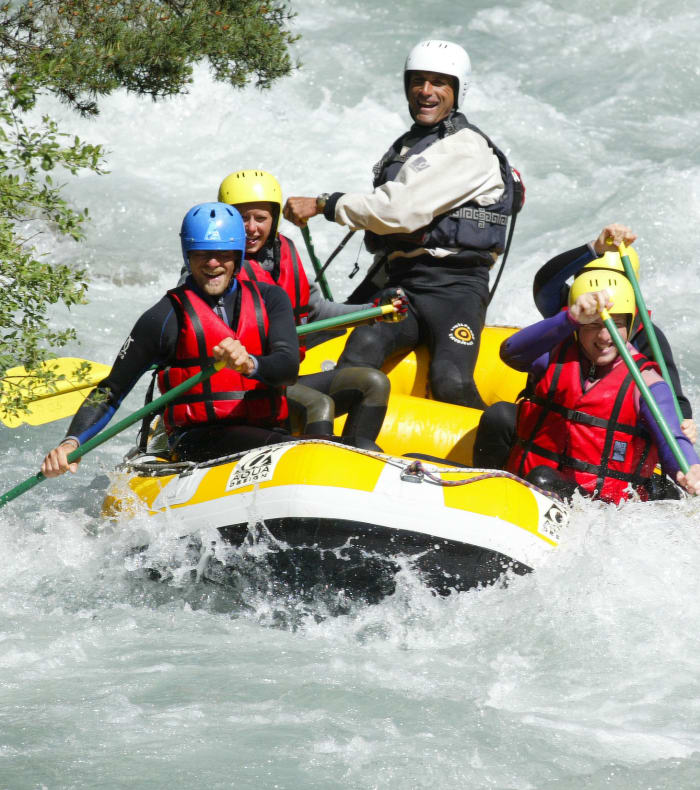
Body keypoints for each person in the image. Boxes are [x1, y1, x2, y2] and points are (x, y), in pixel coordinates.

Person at [282, 39, 523, 410]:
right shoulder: (409, 146)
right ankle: (336, 441)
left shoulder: (468, 147)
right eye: (418, 81)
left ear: (458, 91)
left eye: (440, 82)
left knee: (450, 381)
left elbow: (400, 211)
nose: (426, 92)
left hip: (456, 289)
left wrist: (323, 204)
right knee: (361, 350)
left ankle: (497, 455)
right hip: (404, 284)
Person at [41, 202, 299, 477]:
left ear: (237, 256)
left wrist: (248, 364)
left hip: (266, 431)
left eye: (222, 253)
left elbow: (288, 368)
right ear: (188, 256)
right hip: (200, 442)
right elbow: (111, 392)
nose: (212, 263)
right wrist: (71, 442)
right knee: (297, 452)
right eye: (202, 254)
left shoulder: (271, 299)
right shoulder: (164, 316)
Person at [474, 223, 696, 469]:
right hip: (553, 423)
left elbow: (671, 399)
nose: (601, 290)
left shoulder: (647, 336)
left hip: (607, 442)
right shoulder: (572, 310)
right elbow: (545, 284)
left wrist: (683, 427)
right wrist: (593, 249)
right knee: (501, 416)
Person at [216, 169, 406, 449]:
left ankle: (354, 462)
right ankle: (314, 473)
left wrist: (375, 311)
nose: (252, 228)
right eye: (242, 218)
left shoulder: (284, 254)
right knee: (319, 404)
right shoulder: (211, 264)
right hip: (237, 389)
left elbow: (316, 312)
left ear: (275, 220)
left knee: (374, 382)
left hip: (280, 380)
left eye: (261, 218)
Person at [501, 268, 700, 503]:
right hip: (532, 483)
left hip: (597, 506)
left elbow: (672, 438)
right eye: (593, 325)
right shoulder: (555, 356)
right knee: (498, 418)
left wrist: (690, 467)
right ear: (578, 327)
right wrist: (570, 318)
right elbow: (511, 352)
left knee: (542, 478)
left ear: (630, 326)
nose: (605, 336)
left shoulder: (647, 383)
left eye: (617, 324)